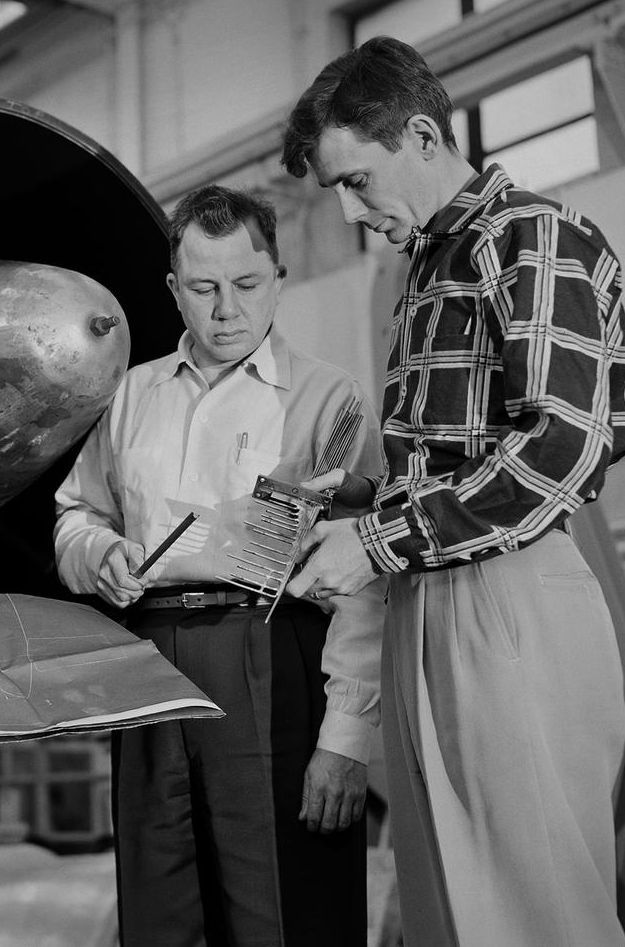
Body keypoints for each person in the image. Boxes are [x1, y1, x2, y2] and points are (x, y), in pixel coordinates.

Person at [280, 36, 625, 947]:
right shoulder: (428, 267)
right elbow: (459, 455)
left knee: (536, 912)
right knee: (453, 909)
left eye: (358, 181)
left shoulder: (533, 235)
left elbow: (558, 446)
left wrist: (373, 541)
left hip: (507, 595)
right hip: (429, 590)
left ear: (423, 135)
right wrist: (364, 494)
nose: (356, 213)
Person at [54, 184, 384, 946]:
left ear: (279, 279)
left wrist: (345, 738)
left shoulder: (329, 400)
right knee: (160, 908)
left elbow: (368, 584)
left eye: (246, 285)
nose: (226, 309)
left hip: (270, 652)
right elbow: (78, 514)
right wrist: (99, 555)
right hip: (149, 664)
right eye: (203, 289)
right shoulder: (130, 396)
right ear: (174, 290)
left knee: (283, 909)